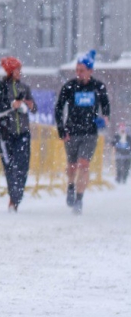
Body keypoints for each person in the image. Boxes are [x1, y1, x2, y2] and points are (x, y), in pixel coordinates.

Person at [54, 50, 109, 215]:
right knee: (71, 167)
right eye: (77, 70)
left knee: (83, 165)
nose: (78, 73)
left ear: (90, 71)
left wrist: (104, 118)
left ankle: (79, 198)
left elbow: (106, 108)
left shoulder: (98, 87)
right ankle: (71, 186)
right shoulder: (69, 86)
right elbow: (58, 108)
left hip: (90, 133)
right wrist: (61, 129)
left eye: (82, 70)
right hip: (72, 131)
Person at [0, 57, 37, 212]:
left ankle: (17, 197)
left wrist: (30, 105)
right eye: (17, 69)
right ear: (10, 71)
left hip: (23, 133)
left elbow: (34, 107)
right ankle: (13, 197)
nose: (20, 72)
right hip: (5, 133)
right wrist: (12, 106)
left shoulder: (24, 88)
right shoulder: (1, 88)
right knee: (10, 167)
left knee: (22, 166)